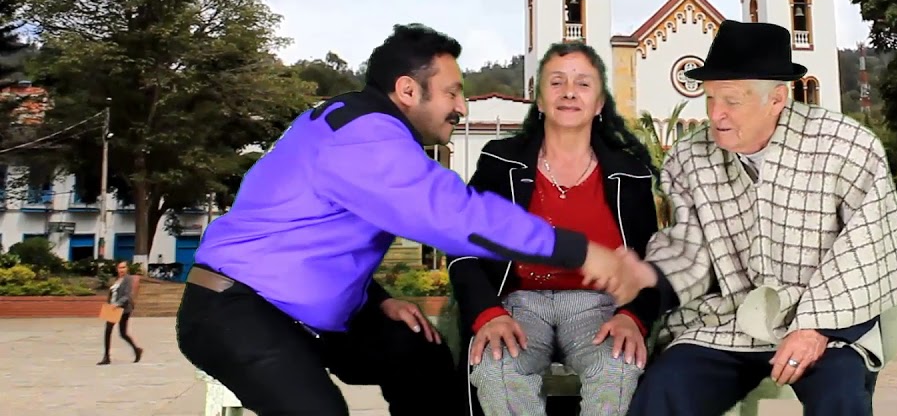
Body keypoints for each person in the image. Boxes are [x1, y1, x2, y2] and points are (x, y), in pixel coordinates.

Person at [175, 24, 644, 416]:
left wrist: (374, 299)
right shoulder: (366, 136)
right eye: (452, 92)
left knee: (420, 355)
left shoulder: (356, 125)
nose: (461, 106)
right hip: (238, 311)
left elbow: (315, 237)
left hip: (307, 312)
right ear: (407, 90)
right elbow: (457, 217)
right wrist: (579, 250)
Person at [621, 20, 897, 416]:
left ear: (778, 98)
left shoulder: (847, 145)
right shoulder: (690, 157)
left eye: (731, 100)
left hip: (826, 322)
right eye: (710, 98)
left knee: (840, 393)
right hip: (726, 321)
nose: (716, 115)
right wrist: (642, 292)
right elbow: (686, 250)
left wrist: (815, 327)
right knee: (665, 386)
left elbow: (864, 248)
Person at [450, 42, 660, 416]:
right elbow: (462, 241)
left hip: (598, 306)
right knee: (496, 368)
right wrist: (487, 313)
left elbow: (651, 259)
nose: (568, 92)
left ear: (599, 104)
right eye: (556, 82)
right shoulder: (501, 162)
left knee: (618, 367)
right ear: (540, 100)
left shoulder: (629, 174)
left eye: (583, 84)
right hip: (517, 303)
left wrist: (633, 317)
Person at [98, 260, 143, 365]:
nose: (121, 270)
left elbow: (127, 295)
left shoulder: (128, 279)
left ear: (127, 269)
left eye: (123, 267)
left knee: (123, 333)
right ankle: (106, 357)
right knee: (108, 330)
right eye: (119, 268)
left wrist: (117, 304)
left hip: (123, 308)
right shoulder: (117, 279)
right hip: (112, 308)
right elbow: (112, 293)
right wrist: (109, 304)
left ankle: (137, 350)